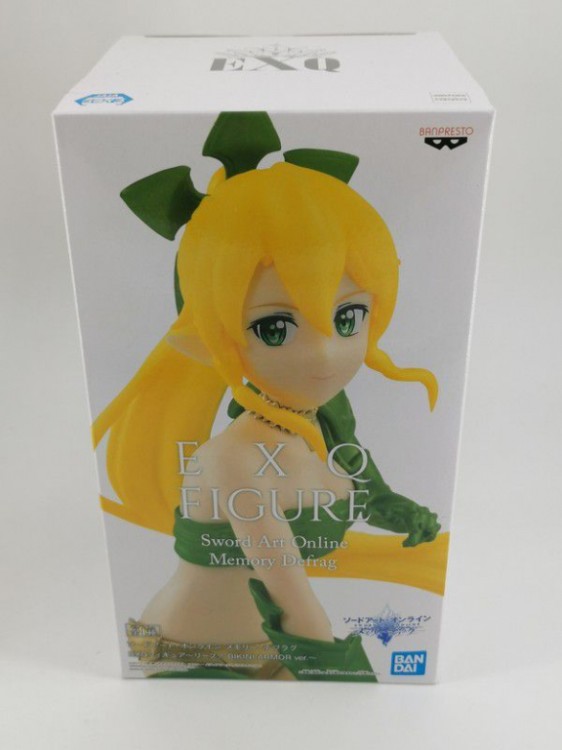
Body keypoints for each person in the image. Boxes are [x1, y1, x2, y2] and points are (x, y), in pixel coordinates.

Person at [93, 112, 440, 681]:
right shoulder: (236, 458)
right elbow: (297, 608)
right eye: (274, 328)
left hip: (272, 660)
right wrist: (360, 694)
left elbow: (362, 489)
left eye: (348, 317)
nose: (325, 354)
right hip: (185, 661)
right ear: (211, 337)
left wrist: (397, 510)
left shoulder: (324, 422)